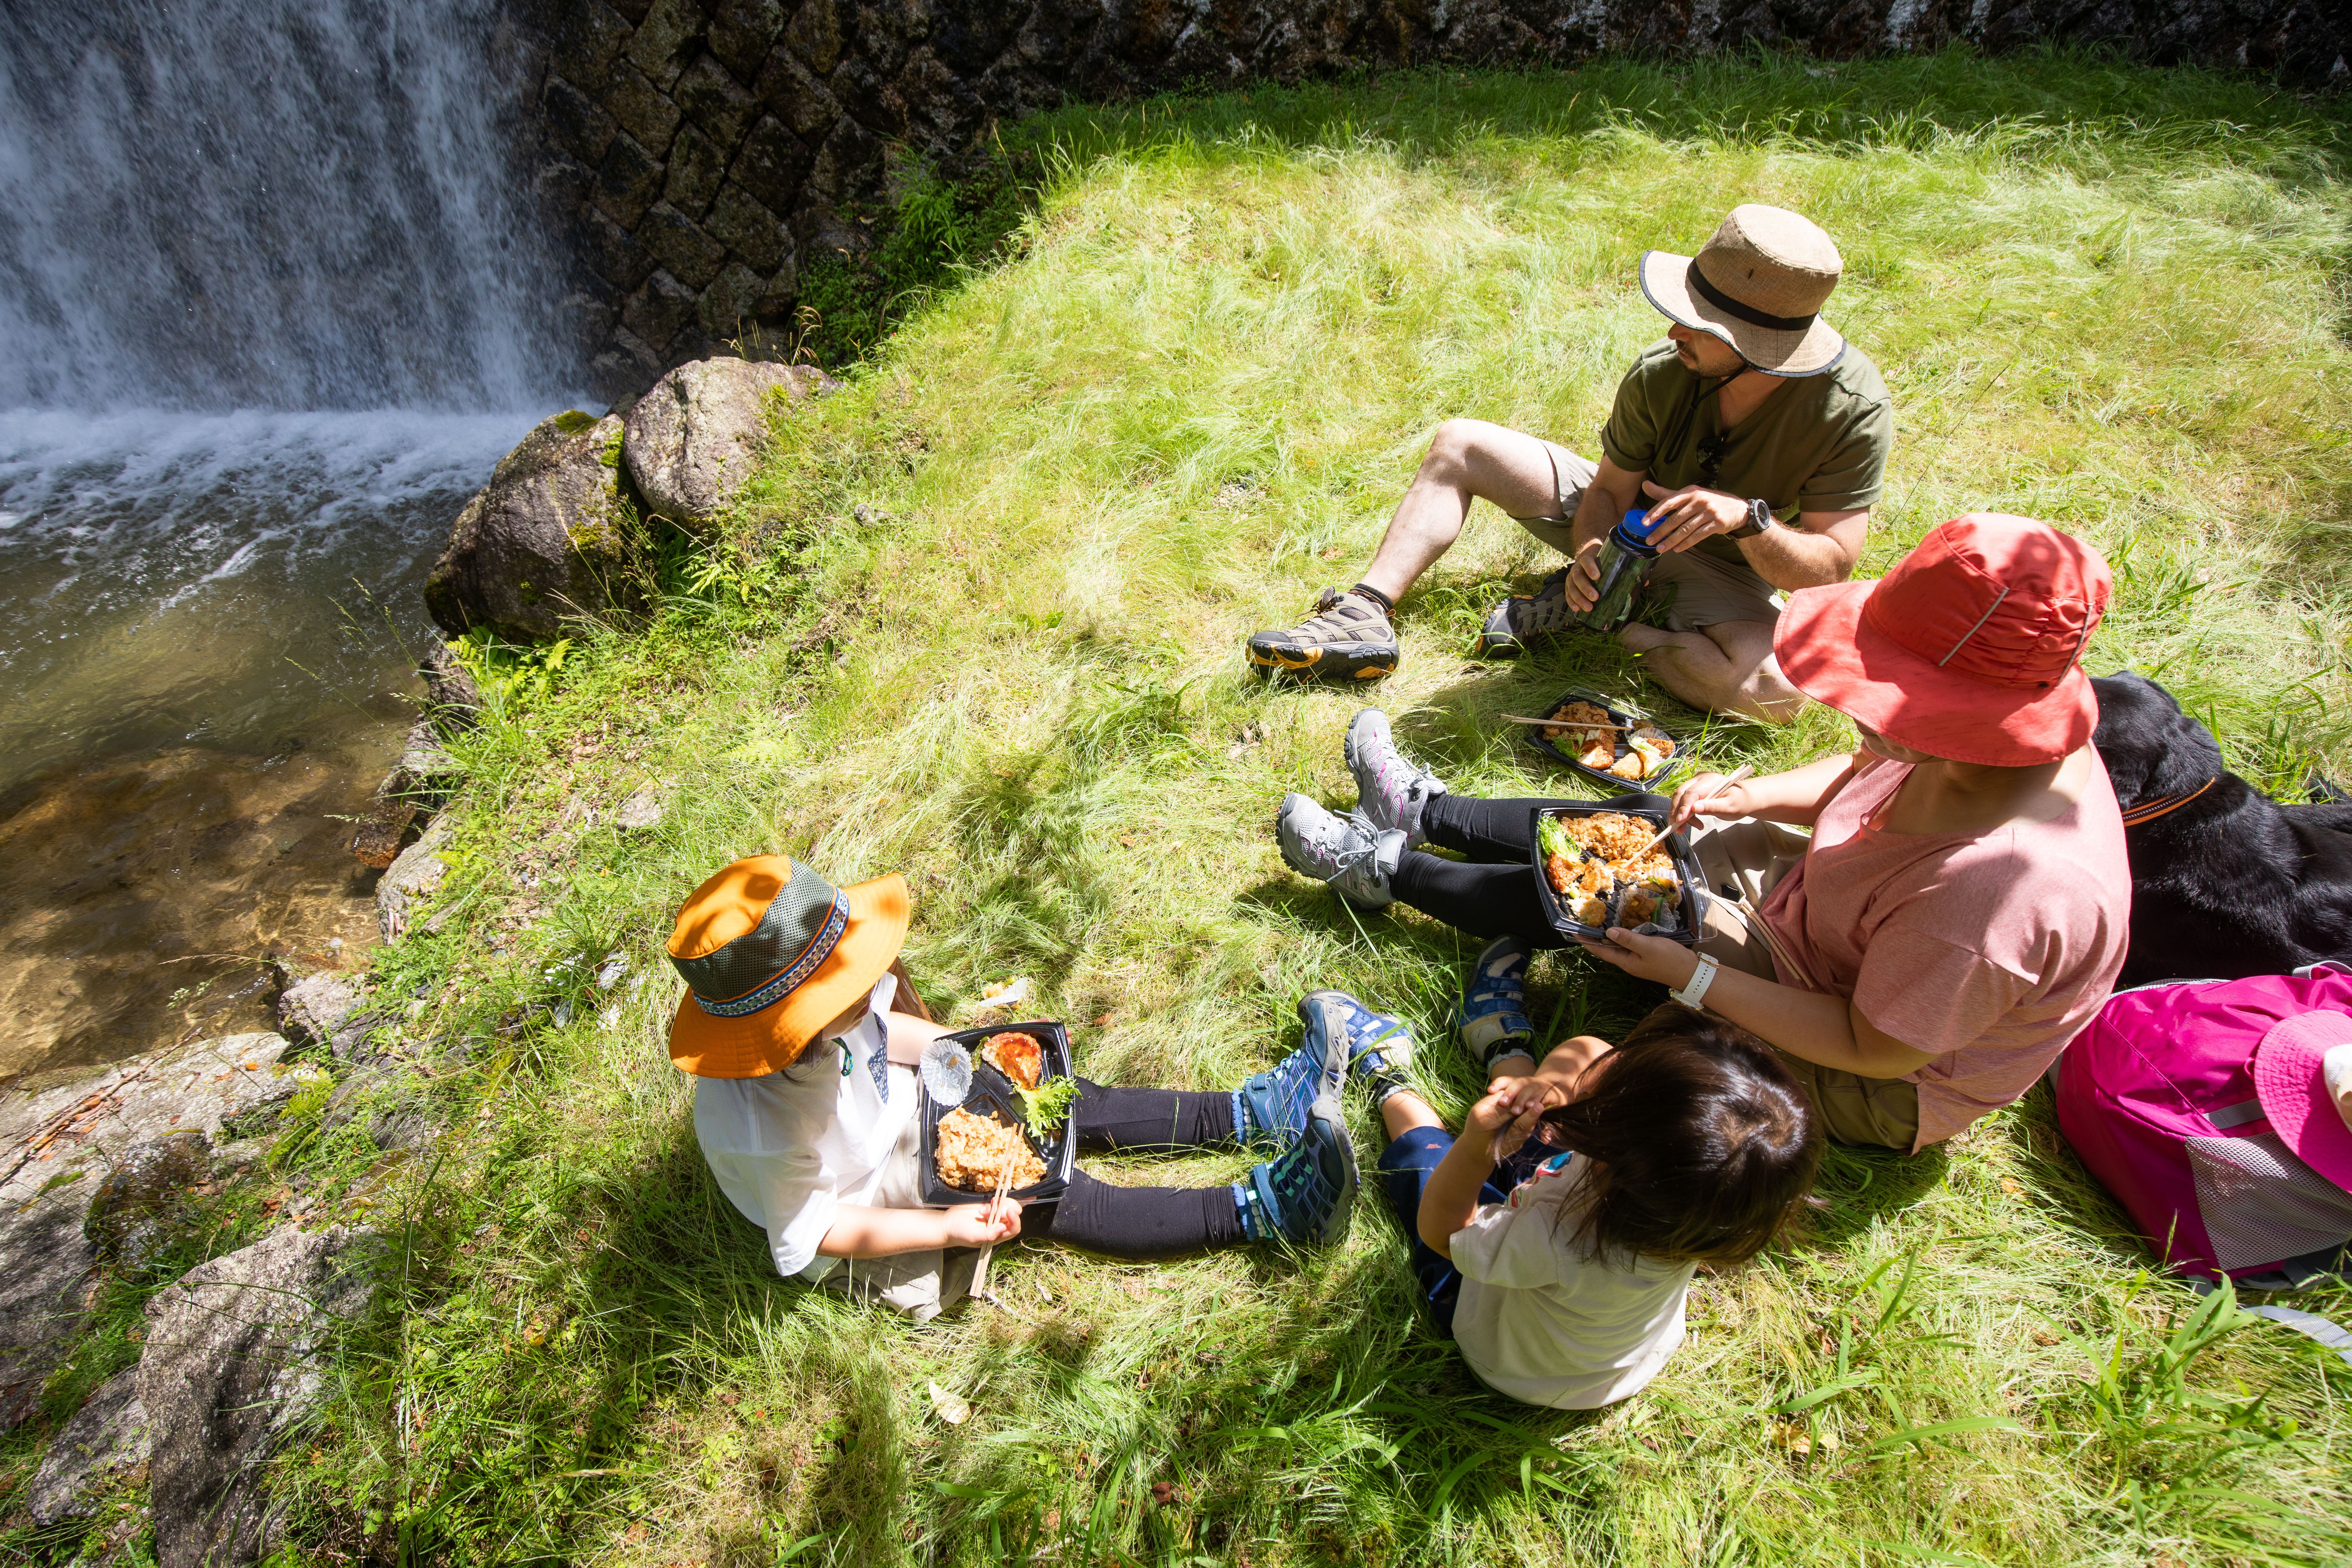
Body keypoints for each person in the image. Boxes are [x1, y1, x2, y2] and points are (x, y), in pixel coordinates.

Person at [1275, 514, 2132, 1153]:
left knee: (1630, 894)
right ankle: (1428, 812)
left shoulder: (1997, 896)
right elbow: (1869, 772)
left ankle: (1388, 869)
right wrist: (1750, 794)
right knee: (1650, 822)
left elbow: (1874, 1045)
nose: (1858, 708)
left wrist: (1700, 976)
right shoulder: (1992, 748)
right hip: (1831, 920)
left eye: (1887, 693)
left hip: (1871, 1064)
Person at [1243, 203, 1893, 722]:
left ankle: (1612, 624)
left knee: (1778, 696)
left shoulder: (1848, 409)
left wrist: (1745, 523)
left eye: (1696, 327)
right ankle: (1362, 612)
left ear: (1753, 345)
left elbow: (1829, 571)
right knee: (1462, 442)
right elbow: (1608, 492)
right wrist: (1591, 553)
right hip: (1629, 522)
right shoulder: (1664, 373)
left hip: (1728, 570)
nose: (1673, 334)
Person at [668, 855, 1362, 1319]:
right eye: (847, 995)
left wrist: (967, 1055)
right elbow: (818, 1232)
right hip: (866, 1198)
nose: (868, 992)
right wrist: (942, 1224)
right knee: (1050, 1195)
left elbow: (888, 1034)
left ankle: (1250, 1112)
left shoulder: (820, 1018)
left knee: (1071, 1101)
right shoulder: (768, 1127)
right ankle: (1261, 1214)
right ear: (791, 1029)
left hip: (892, 1113)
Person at [1332, 992, 1818, 1408]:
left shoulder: (1556, 1238)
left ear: (1609, 1152)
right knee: (1582, 1060)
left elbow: (1441, 1232)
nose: (1615, 1060)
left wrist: (1478, 1147)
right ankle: (1508, 1059)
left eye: (1618, 1083)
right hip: (1613, 1360)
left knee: (1423, 1156)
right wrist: (1545, 1092)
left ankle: (1387, 1079)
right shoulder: (1702, 1206)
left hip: (1510, 1358)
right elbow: (1590, 1052)